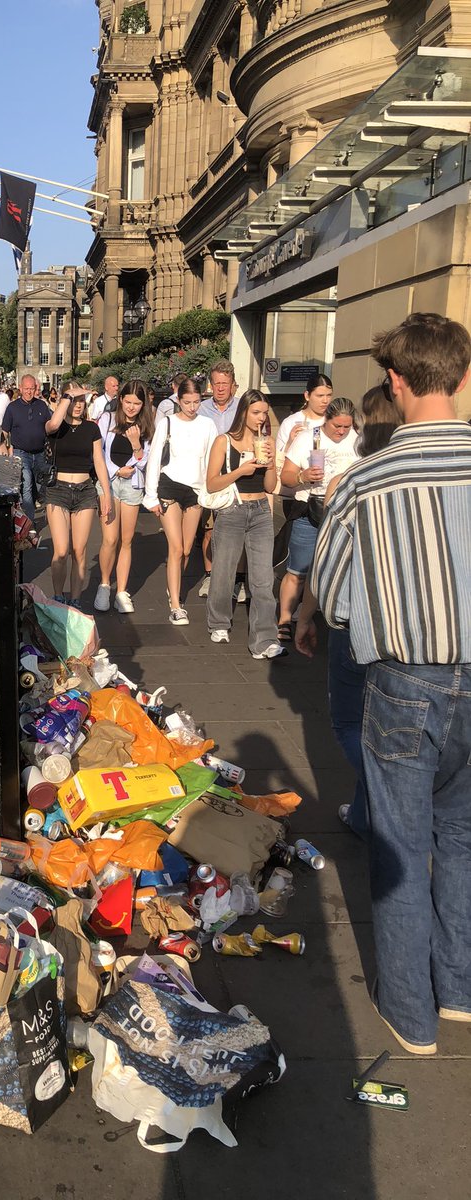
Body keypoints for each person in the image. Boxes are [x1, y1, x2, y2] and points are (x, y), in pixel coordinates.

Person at [312, 313, 471, 1056]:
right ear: (462, 377)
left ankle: (410, 1011)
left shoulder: (366, 478)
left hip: (408, 678)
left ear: (397, 383)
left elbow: (336, 596)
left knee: (402, 843)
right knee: (464, 838)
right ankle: (460, 986)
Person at [294, 386, 400, 840]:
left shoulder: (354, 482)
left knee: (348, 721)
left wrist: (306, 615)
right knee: (390, 723)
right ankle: (362, 812)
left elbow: (329, 561)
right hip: (414, 628)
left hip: (359, 621)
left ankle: (394, 793)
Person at [205, 390, 283, 658]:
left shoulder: (267, 442)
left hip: (260, 509)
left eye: (264, 413)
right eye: (256, 412)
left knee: (262, 579)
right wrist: (240, 470)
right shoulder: (224, 441)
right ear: (244, 412)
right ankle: (218, 621)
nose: (261, 418)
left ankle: (265, 640)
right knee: (224, 572)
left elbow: (271, 487)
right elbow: (211, 483)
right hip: (232, 509)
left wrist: (270, 463)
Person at [276, 397, 359, 641]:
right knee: (299, 569)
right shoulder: (307, 438)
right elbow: (286, 476)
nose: (342, 432)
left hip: (346, 510)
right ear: (327, 420)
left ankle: (331, 613)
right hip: (310, 509)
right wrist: (303, 475)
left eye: (347, 427)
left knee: (342, 568)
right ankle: (284, 618)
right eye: (337, 427)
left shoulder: (359, 440)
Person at [143, 378, 216, 626]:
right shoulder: (168, 423)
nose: (192, 407)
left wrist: (210, 491)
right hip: (169, 486)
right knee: (175, 547)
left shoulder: (208, 424)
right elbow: (154, 459)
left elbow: (210, 460)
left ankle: (172, 586)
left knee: (185, 549)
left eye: (196, 402)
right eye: (187, 402)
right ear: (178, 399)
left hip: (195, 490)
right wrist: (150, 496)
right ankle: (176, 603)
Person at [42, 387, 112, 607]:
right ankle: (57, 594)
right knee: (61, 550)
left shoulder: (92, 428)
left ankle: (75, 599)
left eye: (82, 400)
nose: (78, 404)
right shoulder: (56, 427)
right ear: (65, 401)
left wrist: (107, 494)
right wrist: (68, 396)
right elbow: (52, 425)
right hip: (59, 490)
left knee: (79, 551)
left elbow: (99, 461)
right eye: (74, 400)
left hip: (85, 491)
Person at [93, 379, 154, 613]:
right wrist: (116, 470)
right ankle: (105, 584)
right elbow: (98, 453)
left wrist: (136, 443)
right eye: (128, 401)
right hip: (109, 483)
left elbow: (145, 459)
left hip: (132, 485)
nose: (131, 407)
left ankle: (122, 591)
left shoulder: (146, 426)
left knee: (126, 540)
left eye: (137, 403)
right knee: (110, 539)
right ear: (120, 400)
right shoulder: (107, 419)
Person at [197, 360, 241, 600]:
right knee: (210, 530)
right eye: (217, 384)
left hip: (238, 476)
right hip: (210, 476)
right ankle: (210, 575)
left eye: (225, 384)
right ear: (211, 385)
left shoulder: (243, 408)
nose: (221, 388)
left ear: (233, 385)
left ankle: (238, 580)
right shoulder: (201, 409)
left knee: (238, 531)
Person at [0, 373, 52, 521]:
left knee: (39, 487)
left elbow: (50, 427)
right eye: (26, 388)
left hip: (40, 453)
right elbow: (4, 430)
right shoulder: (12, 408)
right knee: (27, 485)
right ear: (20, 389)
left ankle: (38, 514)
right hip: (21, 452)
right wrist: (2, 444)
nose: (29, 392)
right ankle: (30, 524)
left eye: (32, 388)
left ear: (36, 389)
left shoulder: (42, 405)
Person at [275, 372, 333, 467]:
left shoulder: (334, 421)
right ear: (307, 396)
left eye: (329, 395)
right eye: (320, 396)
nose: (325, 400)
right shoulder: (290, 422)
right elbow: (278, 461)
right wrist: (290, 443)